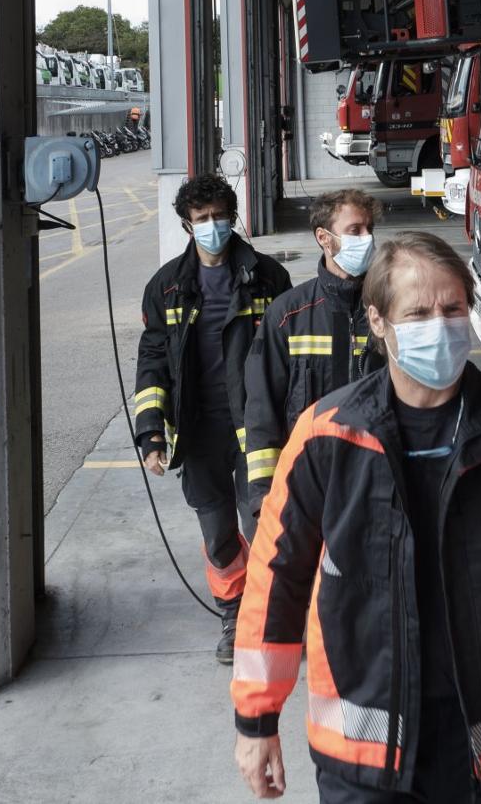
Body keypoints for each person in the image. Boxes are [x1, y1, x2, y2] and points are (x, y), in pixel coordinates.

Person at [231, 232, 481, 804]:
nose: (439, 326)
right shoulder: (326, 436)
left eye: (453, 309)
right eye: (417, 313)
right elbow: (276, 581)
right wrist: (256, 719)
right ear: (378, 321)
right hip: (362, 763)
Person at [134, 175, 292, 664]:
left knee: (264, 521)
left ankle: (269, 615)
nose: (212, 226)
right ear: (187, 225)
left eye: (219, 216)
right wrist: (151, 432)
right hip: (199, 431)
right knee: (218, 533)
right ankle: (233, 614)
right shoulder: (166, 288)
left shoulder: (268, 277)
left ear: (233, 215)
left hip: (258, 429)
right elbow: (153, 361)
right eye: (201, 219)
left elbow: (286, 357)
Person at [242, 189, 385, 519]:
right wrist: (264, 493)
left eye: (369, 230)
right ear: (324, 237)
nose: (366, 239)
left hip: (377, 481)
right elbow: (262, 408)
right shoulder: (288, 315)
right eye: (355, 231)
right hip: (308, 485)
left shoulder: (389, 307)